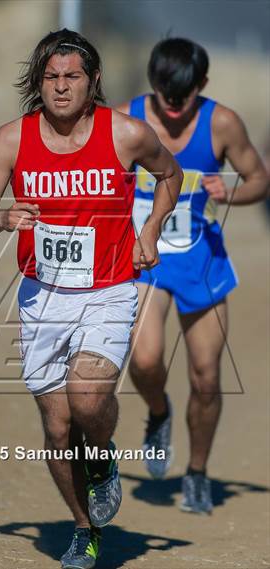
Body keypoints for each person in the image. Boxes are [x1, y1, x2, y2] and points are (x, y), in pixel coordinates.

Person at [0, 29, 182, 569]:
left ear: (94, 81)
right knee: (58, 427)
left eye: (72, 77)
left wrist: (150, 230)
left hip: (107, 291)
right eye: (52, 77)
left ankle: (103, 457)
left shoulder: (126, 134)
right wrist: (1, 219)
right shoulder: (11, 141)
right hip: (43, 297)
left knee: (87, 401)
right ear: (39, 82)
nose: (61, 88)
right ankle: (84, 529)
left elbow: (170, 174)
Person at [116, 37, 269, 515]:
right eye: (165, 98)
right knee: (144, 360)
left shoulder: (222, 123)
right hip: (145, 258)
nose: (174, 109)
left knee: (205, 378)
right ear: (153, 84)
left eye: (184, 99)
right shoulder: (127, 119)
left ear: (202, 85)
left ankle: (198, 473)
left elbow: (260, 179)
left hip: (200, 258)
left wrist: (232, 192)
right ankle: (158, 413)